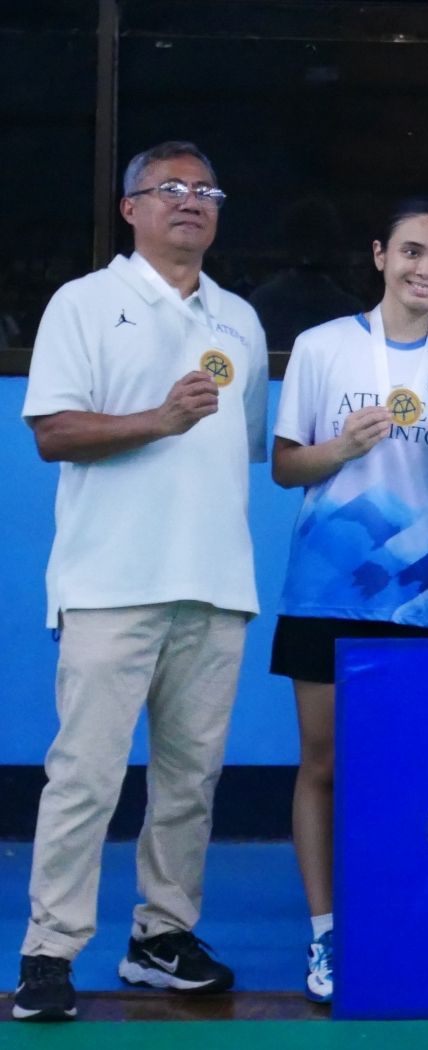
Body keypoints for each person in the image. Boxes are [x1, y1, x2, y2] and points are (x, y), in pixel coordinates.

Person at [13, 141, 268, 1021]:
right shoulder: (83, 304)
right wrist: (159, 419)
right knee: (85, 775)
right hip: (110, 582)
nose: (190, 202)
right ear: (131, 209)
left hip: (216, 586)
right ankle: (49, 950)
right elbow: (51, 431)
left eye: (206, 188)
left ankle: (160, 938)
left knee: (190, 779)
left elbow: (249, 444)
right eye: (170, 189)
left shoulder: (240, 320)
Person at [270, 197, 428, 1002]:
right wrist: (339, 447)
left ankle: (399, 923)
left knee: (413, 768)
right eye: (413, 251)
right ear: (380, 254)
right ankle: (325, 935)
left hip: (427, 595)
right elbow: (285, 468)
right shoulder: (322, 348)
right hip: (328, 586)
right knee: (324, 763)